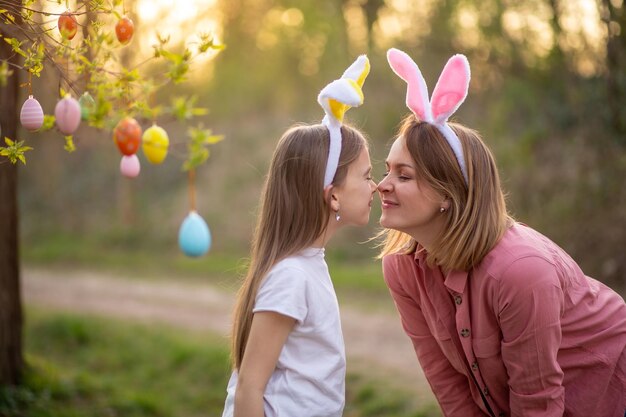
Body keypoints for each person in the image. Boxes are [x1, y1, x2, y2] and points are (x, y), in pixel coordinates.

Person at [377, 48, 626, 417]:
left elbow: (537, 402)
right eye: (386, 170)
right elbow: (448, 383)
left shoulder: (520, 272)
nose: (383, 185)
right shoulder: (401, 268)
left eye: (403, 175)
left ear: (448, 193)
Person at [221, 55, 376, 417]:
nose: (376, 187)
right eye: (366, 176)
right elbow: (248, 389)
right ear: (333, 194)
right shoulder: (291, 276)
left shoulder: (308, 265)